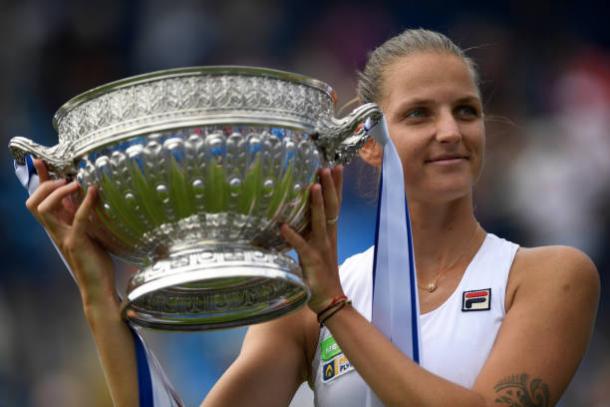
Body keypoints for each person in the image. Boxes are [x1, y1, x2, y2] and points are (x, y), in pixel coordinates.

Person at [25, 28, 599, 406]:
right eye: (419, 114)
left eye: (466, 111)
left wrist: (334, 308)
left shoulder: (548, 276)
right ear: (368, 142)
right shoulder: (306, 304)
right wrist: (98, 297)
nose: (450, 130)